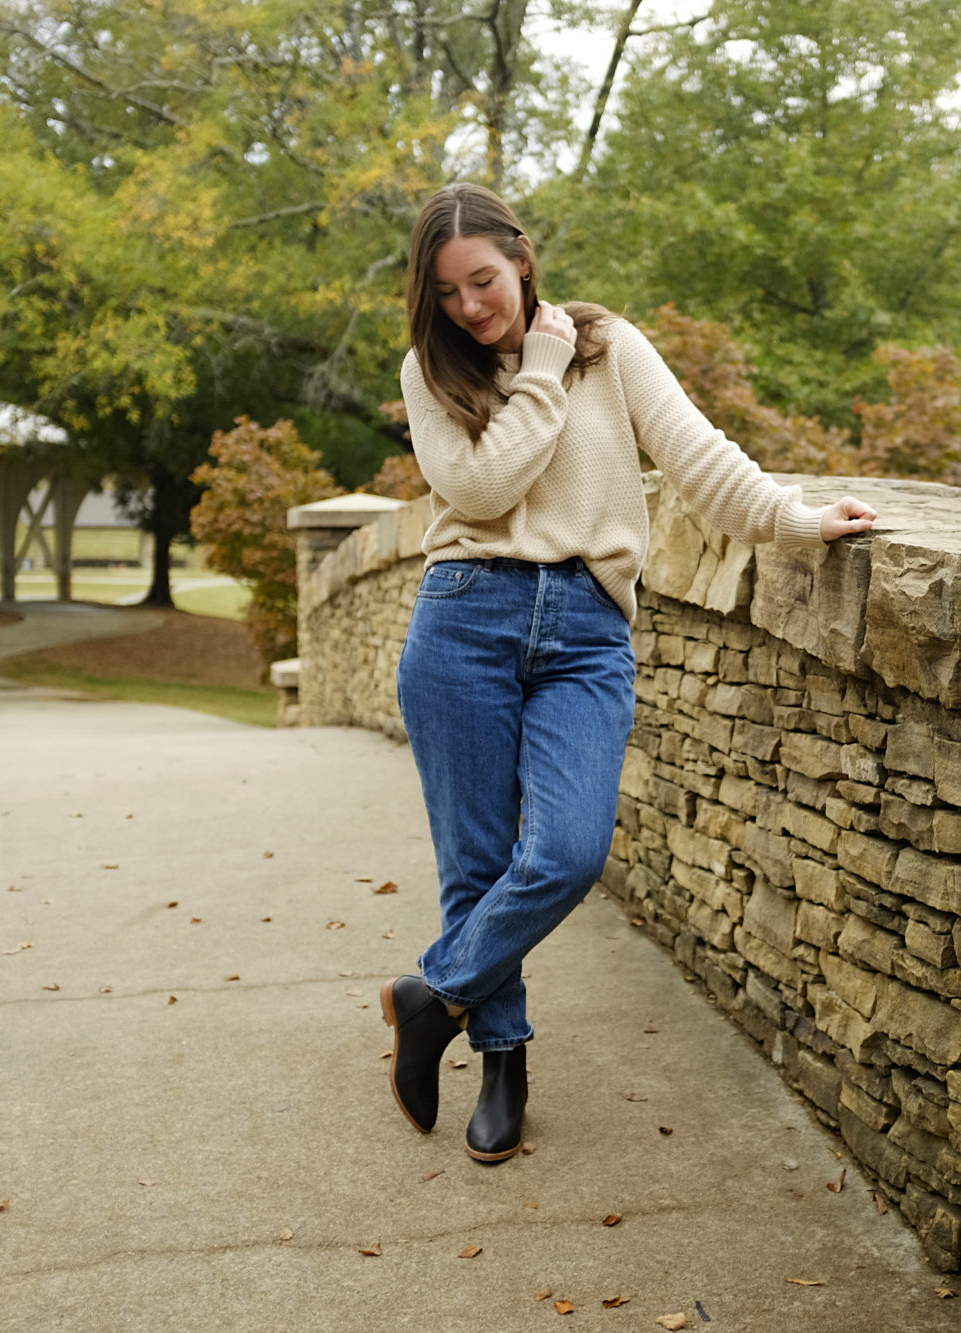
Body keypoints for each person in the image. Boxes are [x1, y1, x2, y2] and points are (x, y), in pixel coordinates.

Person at [379, 182, 878, 1163]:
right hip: (462, 620)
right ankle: (503, 1059)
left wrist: (797, 519)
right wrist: (541, 369)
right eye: (448, 293)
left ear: (520, 258)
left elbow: (695, 454)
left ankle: (431, 996)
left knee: (567, 851)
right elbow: (481, 485)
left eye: (482, 280)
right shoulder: (427, 372)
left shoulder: (610, 346)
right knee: (476, 865)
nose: (471, 307)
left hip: (583, 631)